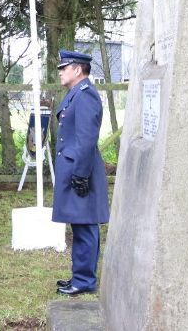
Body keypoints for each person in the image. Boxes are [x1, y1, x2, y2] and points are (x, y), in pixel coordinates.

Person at [52, 50, 110, 296]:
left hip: (81, 170)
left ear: (78, 69)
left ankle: (84, 281)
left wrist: (80, 175)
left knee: (85, 226)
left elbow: (86, 139)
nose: (61, 72)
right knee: (79, 224)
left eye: (64, 68)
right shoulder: (76, 93)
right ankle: (80, 277)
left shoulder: (85, 96)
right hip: (76, 168)